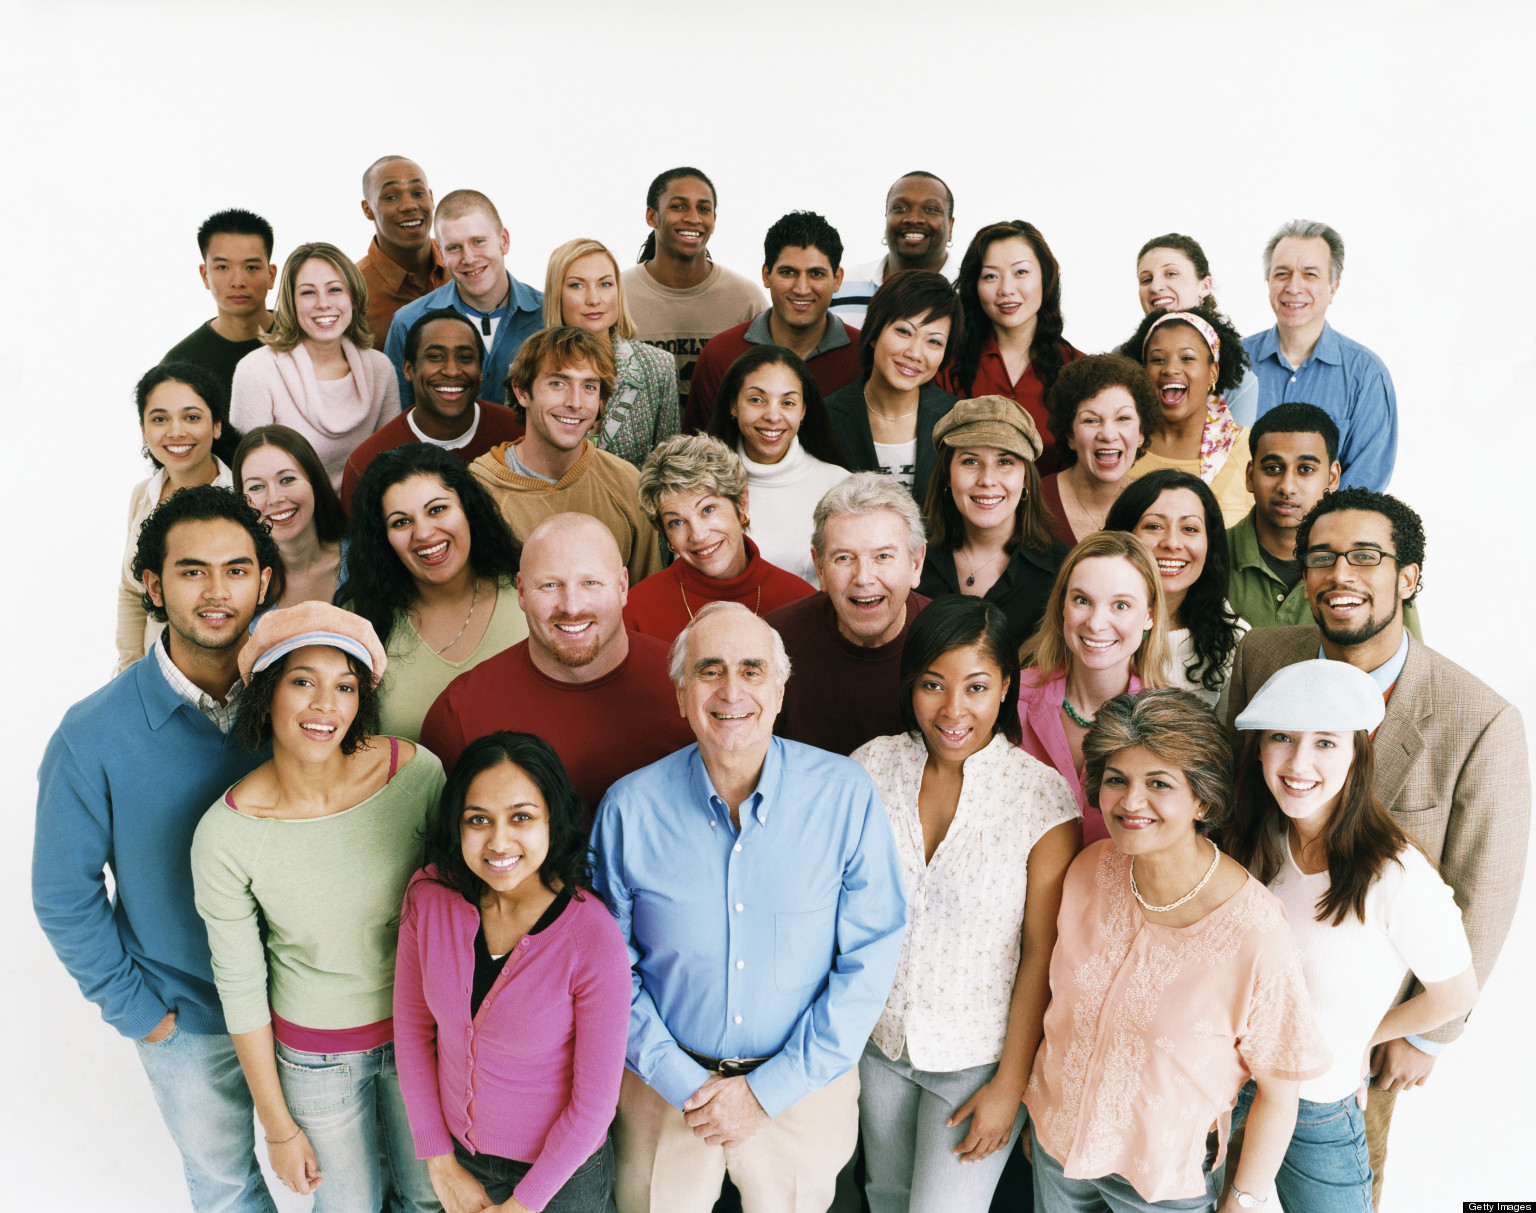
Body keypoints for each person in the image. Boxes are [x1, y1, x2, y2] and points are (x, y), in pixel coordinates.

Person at [1223, 487, 1530, 1205]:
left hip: (1358, 1038)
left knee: (1343, 1183)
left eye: (1367, 556)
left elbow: (1485, 891)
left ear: (1409, 576)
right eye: (1322, 557)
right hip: (1236, 1019)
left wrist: (1423, 1034)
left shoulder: (1480, 719)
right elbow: (1234, 813)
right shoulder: (1264, 655)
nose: (1342, 574)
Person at [590, 602, 907, 1213]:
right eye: (709, 671)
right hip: (662, 1089)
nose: (731, 690)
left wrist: (766, 1091)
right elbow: (606, 971)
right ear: (681, 693)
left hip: (802, 1090)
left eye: (752, 670)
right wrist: (684, 1082)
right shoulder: (628, 809)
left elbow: (870, 959)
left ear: (781, 689)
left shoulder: (845, 795)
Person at [36, 486, 280, 1213]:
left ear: (264, 581)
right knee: (227, 1188)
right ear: (153, 583)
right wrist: (142, 1011)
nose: (217, 591)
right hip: (189, 1016)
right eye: (192, 570)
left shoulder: (305, 702)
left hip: (313, 1003)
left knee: (357, 1181)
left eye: (237, 569)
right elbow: (63, 893)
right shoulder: (92, 733)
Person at [1027, 689, 1330, 1211]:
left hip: (1163, 1186)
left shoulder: (1255, 933)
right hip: (1056, 1155)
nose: (1130, 802)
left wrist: (1243, 1199)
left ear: (1203, 801)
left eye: (1158, 784)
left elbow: (1280, 1094)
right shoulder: (1089, 871)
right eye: (1117, 779)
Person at [191, 602, 445, 1212]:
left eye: (345, 686)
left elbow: (464, 912)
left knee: (428, 1202)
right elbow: (242, 986)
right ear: (265, 693)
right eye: (303, 681)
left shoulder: (415, 775)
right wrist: (278, 1127)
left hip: (423, 1039)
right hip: (316, 1061)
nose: (325, 706)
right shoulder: (225, 835)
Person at [850, 596, 1080, 1213]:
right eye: (933, 685)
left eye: (976, 686)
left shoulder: (1040, 796)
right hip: (879, 1047)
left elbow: (1041, 954)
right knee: (886, 1200)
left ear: (1006, 686)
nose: (953, 710)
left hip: (976, 1062)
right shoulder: (871, 767)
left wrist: (1011, 1084)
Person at [1222, 660, 1478, 1212]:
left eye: (1326, 744)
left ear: (1358, 754)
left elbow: (1456, 996)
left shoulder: (1397, 875)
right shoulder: (1252, 843)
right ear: (1259, 748)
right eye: (1281, 738)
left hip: (1318, 1105)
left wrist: (1362, 1040)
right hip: (1228, 1090)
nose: (1298, 763)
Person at [394, 732, 631, 1213]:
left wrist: (522, 1206)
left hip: (561, 1175)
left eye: (521, 817)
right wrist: (440, 1161)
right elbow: (413, 1032)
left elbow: (593, 1109)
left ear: (553, 821)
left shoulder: (592, 938)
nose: (499, 841)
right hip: (462, 1161)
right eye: (478, 820)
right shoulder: (428, 896)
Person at [420, 512, 693, 815]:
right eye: (550, 585)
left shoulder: (690, 687)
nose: (572, 606)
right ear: (521, 592)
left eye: (591, 583)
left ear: (622, 586)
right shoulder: (459, 713)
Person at [340, 444, 528, 743]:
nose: (424, 533)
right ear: (383, 539)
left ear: (468, 509)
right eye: (401, 522)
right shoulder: (357, 622)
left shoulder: (530, 596)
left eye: (437, 509)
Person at [468, 325, 662, 583]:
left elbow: (644, 599)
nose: (576, 402)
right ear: (522, 391)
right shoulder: (477, 491)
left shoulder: (626, 482)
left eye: (589, 387)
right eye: (558, 383)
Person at [1016, 530, 1171, 842]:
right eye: (1082, 600)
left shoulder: (1172, 725)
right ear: (1062, 606)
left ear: (1149, 616)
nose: (1097, 623)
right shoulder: (1008, 698)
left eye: (1121, 605)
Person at [767, 473, 929, 755]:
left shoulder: (954, 641)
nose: (864, 578)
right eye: (844, 558)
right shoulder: (773, 642)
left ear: (916, 563)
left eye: (883, 556)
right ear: (819, 568)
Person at [230, 241, 400, 489]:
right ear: (292, 302)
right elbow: (251, 481)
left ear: (352, 297)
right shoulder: (256, 371)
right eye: (308, 292)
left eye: (335, 290)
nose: (323, 303)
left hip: (367, 515)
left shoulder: (380, 368)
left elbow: (393, 466)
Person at [1242, 220, 1396, 491]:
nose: (1293, 287)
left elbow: (1363, 485)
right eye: (1282, 274)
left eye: (1310, 274)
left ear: (1333, 286)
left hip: (1327, 532)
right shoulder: (1234, 362)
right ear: (1268, 281)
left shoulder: (1366, 375)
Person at [626, 433, 814, 642]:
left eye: (708, 509)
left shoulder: (799, 599)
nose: (698, 536)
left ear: (741, 505)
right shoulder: (638, 608)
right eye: (676, 522)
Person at [686, 210, 863, 433]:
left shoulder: (864, 357)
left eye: (816, 274)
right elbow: (695, 455)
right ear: (766, 275)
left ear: (837, 279)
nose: (801, 288)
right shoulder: (720, 354)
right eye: (788, 272)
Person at [116, 362, 241, 673]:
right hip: (150, 677)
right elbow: (131, 590)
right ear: (143, 430)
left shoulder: (241, 501)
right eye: (160, 419)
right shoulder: (143, 494)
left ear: (217, 425)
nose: (176, 431)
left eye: (192, 417)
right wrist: (126, 675)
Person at [918, 395, 1067, 648]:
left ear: (1025, 480)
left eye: (1005, 462)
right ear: (947, 475)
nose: (987, 479)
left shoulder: (1063, 570)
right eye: (971, 461)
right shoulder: (911, 557)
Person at [340, 307, 525, 512]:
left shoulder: (520, 434)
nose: (452, 371)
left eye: (464, 357)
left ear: (481, 371)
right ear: (409, 369)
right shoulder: (366, 464)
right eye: (436, 357)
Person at [937, 220, 1080, 476]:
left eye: (1020, 272)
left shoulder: (1080, 371)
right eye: (990, 276)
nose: (1006, 289)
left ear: (1046, 277)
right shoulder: (946, 365)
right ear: (975, 286)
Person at [621, 167, 766, 416]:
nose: (693, 218)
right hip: (632, 454)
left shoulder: (747, 300)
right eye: (678, 206)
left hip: (721, 453)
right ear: (652, 216)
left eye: (703, 209)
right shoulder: (616, 294)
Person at [385, 189, 545, 409]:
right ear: (441, 254)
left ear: (504, 241)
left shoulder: (550, 314)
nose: (469, 258)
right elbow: (400, 419)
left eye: (478, 241)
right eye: (454, 248)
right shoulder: (408, 322)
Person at [706, 344, 850, 586]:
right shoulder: (700, 483)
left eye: (788, 403)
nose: (773, 416)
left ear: (803, 410)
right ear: (733, 405)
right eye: (756, 400)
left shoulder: (839, 486)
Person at [1107, 469, 1248, 709]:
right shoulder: (1092, 621)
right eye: (1154, 526)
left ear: (1209, 546)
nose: (1172, 543)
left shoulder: (1232, 638)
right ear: (1123, 536)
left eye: (1190, 529)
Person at [824, 269, 962, 501]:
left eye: (934, 341)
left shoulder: (958, 419)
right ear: (875, 332)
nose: (915, 353)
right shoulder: (825, 417)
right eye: (904, 331)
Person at [544, 236, 680, 468]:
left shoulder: (658, 366)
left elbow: (669, 467)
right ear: (557, 293)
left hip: (634, 503)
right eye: (577, 285)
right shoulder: (531, 367)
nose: (594, 299)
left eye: (605, 284)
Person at [1124, 304, 1254, 527]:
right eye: (1157, 360)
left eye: (1187, 358)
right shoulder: (1122, 447)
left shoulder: (1249, 450)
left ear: (1212, 373)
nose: (1170, 369)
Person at [1226, 402, 1342, 629]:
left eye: (1305, 469)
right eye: (1273, 468)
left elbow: (1410, 660)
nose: (1287, 487)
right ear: (1250, 476)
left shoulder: (1368, 563)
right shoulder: (1208, 558)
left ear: (1332, 478)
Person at [1133, 233, 1260, 424]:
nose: (1155, 286)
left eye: (1171, 274)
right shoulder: (1121, 359)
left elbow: (1241, 452)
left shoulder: (1237, 376)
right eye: (1146, 279)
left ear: (1205, 286)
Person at [1038, 352, 1159, 545]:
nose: (1108, 435)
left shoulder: (1156, 505)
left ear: (1141, 433)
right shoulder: (1035, 502)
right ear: (1070, 435)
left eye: (1123, 418)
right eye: (1091, 420)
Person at [163, 208, 277, 402]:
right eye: (223, 267)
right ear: (205, 275)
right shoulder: (179, 364)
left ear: (271, 275)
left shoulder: (306, 338)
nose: (238, 281)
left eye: (251, 267)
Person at [233, 425, 348, 608]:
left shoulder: (364, 561)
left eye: (287, 479)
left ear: (315, 481)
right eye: (256, 487)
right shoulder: (239, 584)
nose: (274, 498)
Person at [831, 171, 958, 327]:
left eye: (931, 209)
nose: (913, 219)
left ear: (950, 226)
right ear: (886, 218)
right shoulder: (840, 286)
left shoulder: (973, 292)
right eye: (900, 208)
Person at [356, 156, 446, 340]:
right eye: (391, 197)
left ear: (431, 197)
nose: (409, 205)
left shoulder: (463, 262)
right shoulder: (351, 290)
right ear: (367, 209)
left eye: (418, 193)